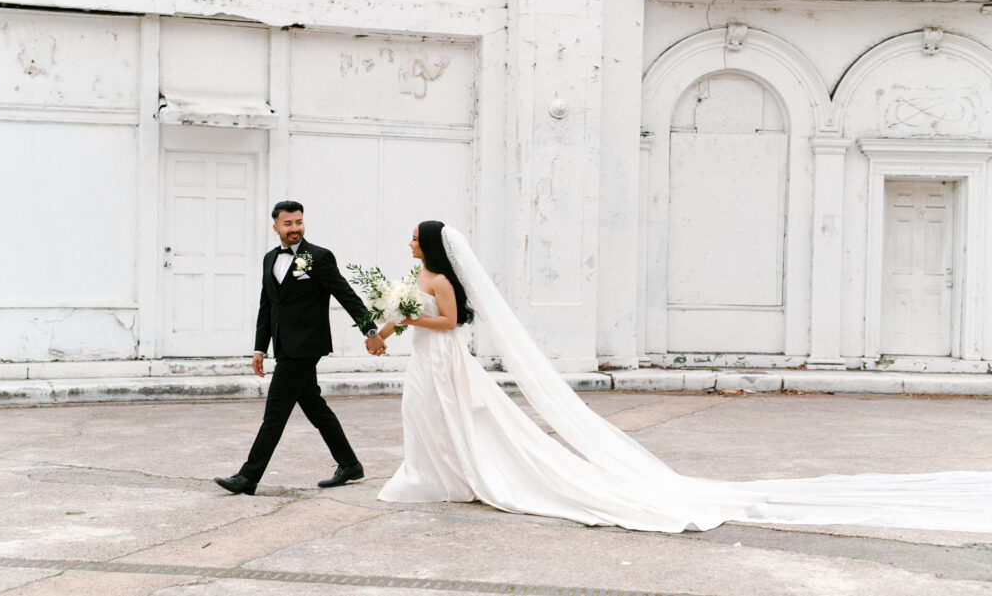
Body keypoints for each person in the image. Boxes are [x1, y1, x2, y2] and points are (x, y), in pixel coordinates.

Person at [372, 220, 992, 533]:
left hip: (441, 355)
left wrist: (406, 318)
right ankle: (437, 473)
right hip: (425, 360)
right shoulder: (415, 280)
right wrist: (396, 322)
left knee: (443, 413)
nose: (407, 242)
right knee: (423, 416)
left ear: (427, 244)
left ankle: (452, 475)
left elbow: (449, 323)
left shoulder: (437, 282)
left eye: (412, 238)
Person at [214, 200, 386, 496]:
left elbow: (345, 294)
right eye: (288, 224)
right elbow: (267, 305)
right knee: (314, 407)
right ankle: (349, 464)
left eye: (299, 222)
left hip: (306, 345)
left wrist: (370, 330)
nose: (295, 228)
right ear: (276, 227)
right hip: (283, 345)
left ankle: (248, 477)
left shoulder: (318, 257)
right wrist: (259, 348)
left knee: (275, 414)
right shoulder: (270, 258)